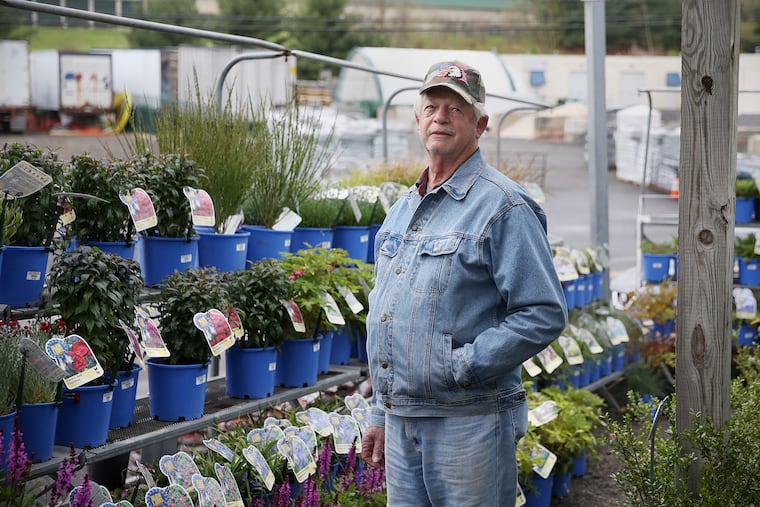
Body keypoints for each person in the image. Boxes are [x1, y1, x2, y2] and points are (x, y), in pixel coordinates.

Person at [361, 60, 568, 506]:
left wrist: (460, 366)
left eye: (456, 109)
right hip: (401, 422)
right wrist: (380, 409)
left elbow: (544, 312)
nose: (441, 117)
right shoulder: (402, 209)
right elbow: (387, 311)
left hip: (469, 420)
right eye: (432, 106)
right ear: (417, 120)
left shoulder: (504, 206)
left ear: (481, 124)